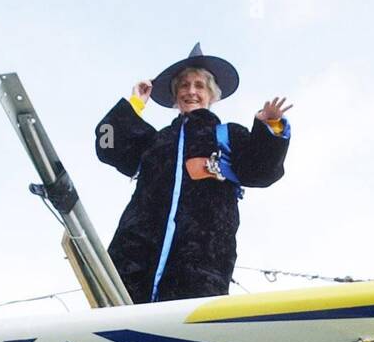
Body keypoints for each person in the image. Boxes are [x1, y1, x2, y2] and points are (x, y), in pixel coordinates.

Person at [95, 43, 292, 304]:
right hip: (133, 261)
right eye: (184, 86)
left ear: (212, 95)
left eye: (199, 86)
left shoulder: (228, 136)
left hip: (201, 267)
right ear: (176, 97)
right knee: (119, 310)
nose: (191, 91)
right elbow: (107, 144)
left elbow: (264, 169)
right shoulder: (155, 141)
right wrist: (135, 104)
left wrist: (270, 127)